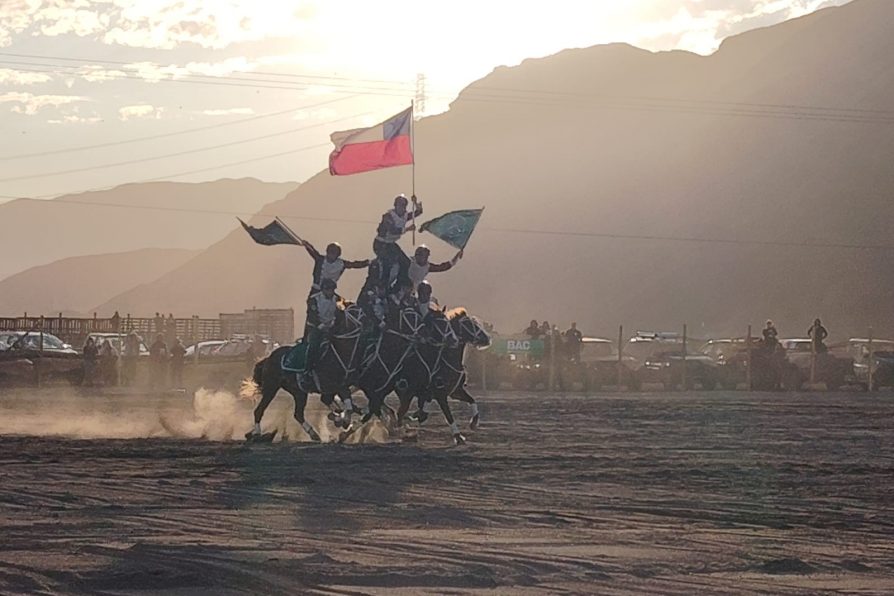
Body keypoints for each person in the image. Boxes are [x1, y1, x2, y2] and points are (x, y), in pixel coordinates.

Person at [373, 194, 423, 286]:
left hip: (390, 244)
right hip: (380, 244)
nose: (402, 208)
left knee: (406, 263)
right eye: (400, 205)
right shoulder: (388, 216)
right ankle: (382, 285)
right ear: (395, 205)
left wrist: (415, 202)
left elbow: (418, 212)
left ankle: (399, 285)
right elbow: (393, 230)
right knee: (388, 262)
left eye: (404, 205)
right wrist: (407, 229)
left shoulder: (404, 216)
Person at [301, 239, 369, 293]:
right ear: (327, 252)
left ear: (338, 255)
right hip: (316, 290)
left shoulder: (341, 264)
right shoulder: (320, 260)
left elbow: (355, 264)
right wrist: (306, 244)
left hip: (330, 292)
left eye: (334, 253)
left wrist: (367, 262)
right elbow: (313, 251)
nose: (331, 255)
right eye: (330, 253)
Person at [304, 277, 340, 374]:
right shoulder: (314, 299)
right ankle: (308, 369)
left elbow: (341, 312)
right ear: (323, 290)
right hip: (316, 328)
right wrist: (320, 325)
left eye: (331, 289)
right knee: (314, 345)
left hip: (331, 328)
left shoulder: (338, 300)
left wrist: (334, 322)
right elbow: (312, 315)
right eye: (327, 289)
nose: (330, 292)